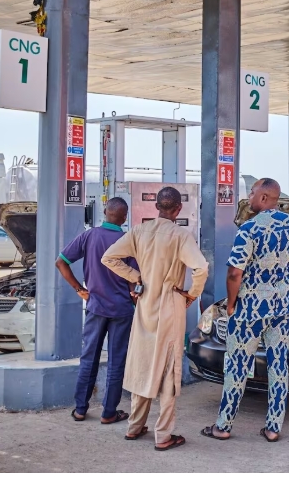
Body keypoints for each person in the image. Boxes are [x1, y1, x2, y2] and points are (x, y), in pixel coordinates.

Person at [201, 178, 289, 443]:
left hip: (251, 308)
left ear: (265, 197)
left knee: (237, 366)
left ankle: (223, 426)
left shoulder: (249, 229)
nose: (249, 197)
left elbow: (234, 273)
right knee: (277, 364)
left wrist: (231, 304)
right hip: (284, 306)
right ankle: (273, 428)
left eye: (252, 193)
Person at [101, 187, 208, 452]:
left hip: (144, 303)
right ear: (178, 209)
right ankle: (163, 435)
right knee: (168, 369)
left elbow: (109, 258)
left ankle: (134, 427)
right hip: (170, 305)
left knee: (143, 363)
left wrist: (136, 277)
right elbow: (201, 267)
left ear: (157, 207)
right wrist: (192, 294)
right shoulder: (180, 236)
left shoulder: (139, 231)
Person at [58, 197, 138, 424]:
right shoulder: (128, 241)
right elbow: (134, 282)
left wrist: (79, 289)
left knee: (89, 358)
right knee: (116, 361)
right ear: (125, 217)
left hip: (95, 307)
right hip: (122, 310)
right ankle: (109, 412)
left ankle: (80, 409)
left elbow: (61, 262)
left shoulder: (89, 236)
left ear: (104, 212)